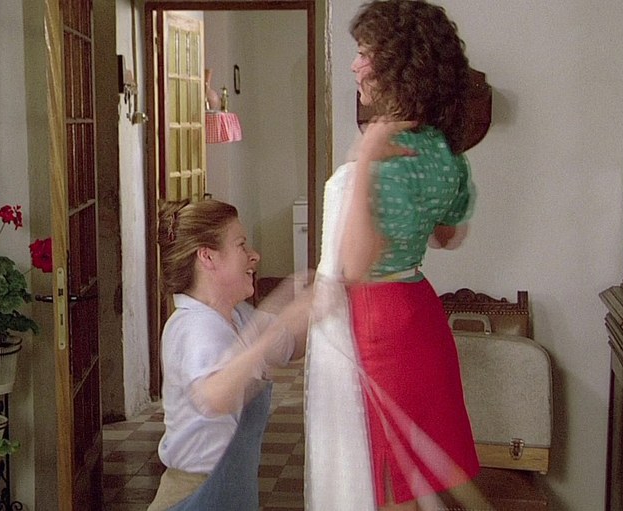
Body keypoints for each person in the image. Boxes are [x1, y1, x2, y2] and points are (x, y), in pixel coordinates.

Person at [305, 1, 485, 510]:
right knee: (425, 466)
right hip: (420, 312)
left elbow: (354, 266)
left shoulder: (380, 156)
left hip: (376, 321)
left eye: (364, 53)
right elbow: (448, 236)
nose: (354, 65)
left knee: (389, 475)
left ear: (398, 67)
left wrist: (363, 158)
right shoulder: (446, 153)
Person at [147, 199, 309, 511]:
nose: (254, 255)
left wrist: (322, 299)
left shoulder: (237, 316)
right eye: (241, 244)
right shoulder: (193, 327)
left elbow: (290, 343)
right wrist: (277, 324)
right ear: (207, 256)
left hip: (230, 492)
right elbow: (216, 395)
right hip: (196, 497)